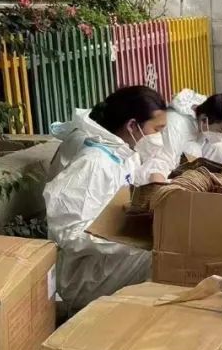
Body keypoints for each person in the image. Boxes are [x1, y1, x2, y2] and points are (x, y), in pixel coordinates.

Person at [44, 86, 168, 315]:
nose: (159, 138)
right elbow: (68, 233)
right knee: (167, 254)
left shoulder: (124, 154)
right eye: (157, 129)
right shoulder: (94, 163)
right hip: (84, 276)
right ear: (132, 126)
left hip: (108, 260)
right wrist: (130, 241)